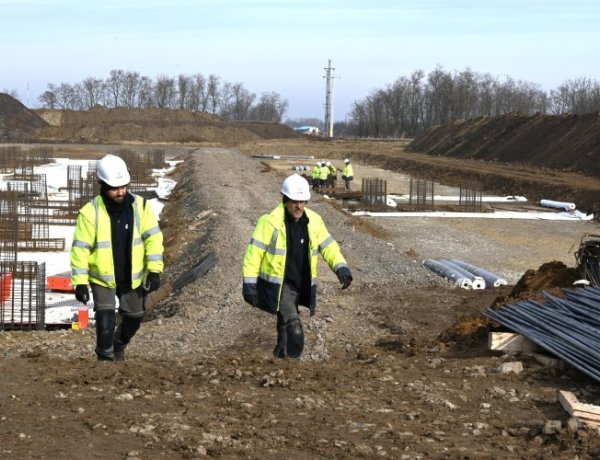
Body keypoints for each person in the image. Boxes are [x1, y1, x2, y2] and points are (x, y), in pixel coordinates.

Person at [242, 174, 353, 359]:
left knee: (285, 324)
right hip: (281, 286)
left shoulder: (314, 221)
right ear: (285, 200)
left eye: (302, 201)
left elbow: (329, 246)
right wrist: (249, 285)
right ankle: (292, 366)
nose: (299, 206)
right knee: (295, 331)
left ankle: (281, 358)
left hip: (301, 285)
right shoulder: (269, 223)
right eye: (294, 201)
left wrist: (341, 267)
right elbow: (253, 255)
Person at [71, 154, 164, 361]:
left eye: (124, 186)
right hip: (102, 277)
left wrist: (155, 269)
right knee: (105, 319)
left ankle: (118, 345)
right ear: (101, 185)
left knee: (134, 317)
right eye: (115, 188)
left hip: (133, 276)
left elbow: (154, 239)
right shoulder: (90, 213)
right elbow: (80, 249)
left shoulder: (141, 207)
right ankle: (104, 358)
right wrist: (79, 282)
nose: (121, 192)